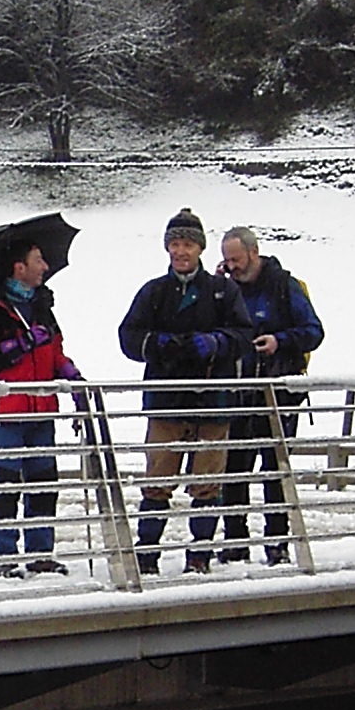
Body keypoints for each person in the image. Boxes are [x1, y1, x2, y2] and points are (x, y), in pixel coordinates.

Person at [117, 208, 254, 575]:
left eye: (188, 244)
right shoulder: (154, 292)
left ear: (200, 248)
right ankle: (147, 556)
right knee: (157, 483)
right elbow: (128, 337)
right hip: (167, 402)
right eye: (175, 244)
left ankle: (199, 557)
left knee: (207, 484)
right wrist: (158, 345)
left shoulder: (223, 291)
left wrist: (216, 343)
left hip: (213, 401)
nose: (181, 251)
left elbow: (244, 336)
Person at [0, 236, 82, 577]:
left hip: (42, 410)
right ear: (19, 267)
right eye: (38, 259)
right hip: (6, 413)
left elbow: (55, 352)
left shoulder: (42, 307)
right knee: (6, 485)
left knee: (43, 484)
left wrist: (72, 376)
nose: (45, 266)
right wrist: (19, 345)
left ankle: (41, 553)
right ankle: (4, 556)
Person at [214, 227, 324, 565]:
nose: (231, 266)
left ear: (254, 252)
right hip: (236, 391)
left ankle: (277, 541)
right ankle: (235, 541)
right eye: (227, 260)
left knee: (275, 469)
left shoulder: (284, 286)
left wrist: (280, 341)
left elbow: (314, 331)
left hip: (279, 393)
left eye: (236, 259)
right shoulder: (223, 288)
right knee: (233, 470)